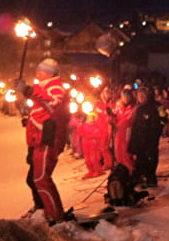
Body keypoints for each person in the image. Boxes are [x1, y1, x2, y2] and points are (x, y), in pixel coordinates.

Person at [17, 58, 69, 225]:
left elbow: (53, 104)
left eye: (41, 69)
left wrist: (29, 90)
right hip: (40, 139)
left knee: (41, 178)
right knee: (37, 178)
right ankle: (48, 211)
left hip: (48, 139)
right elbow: (39, 110)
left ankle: (55, 215)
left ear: (49, 73)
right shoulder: (44, 86)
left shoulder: (55, 86)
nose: (37, 72)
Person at [128, 87, 162, 188]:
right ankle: (141, 176)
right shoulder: (138, 108)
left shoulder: (152, 108)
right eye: (139, 96)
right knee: (140, 159)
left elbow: (155, 126)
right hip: (139, 139)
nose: (141, 98)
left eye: (143, 96)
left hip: (149, 139)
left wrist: (152, 140)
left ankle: (151, 178)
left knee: (150, 159)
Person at [78, 112, 104, 179]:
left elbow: (98, 135)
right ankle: (90, 171)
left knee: (94, 158)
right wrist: (80, 126)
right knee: (87, 158)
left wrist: (89, 136)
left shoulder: (97, 125)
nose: (90, 119)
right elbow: (80, 133)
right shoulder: (84, 125)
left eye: (92, 117)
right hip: (85, 143)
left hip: (93, 143)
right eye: (89, 117)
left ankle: (98, 170)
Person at [95, 86, 115, 169]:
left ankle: (109, 163)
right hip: (100, 129)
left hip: (107, 129)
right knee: (100, 147)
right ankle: (104, 162)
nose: (106, 95)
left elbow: (112, 116)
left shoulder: (112, 105)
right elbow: (96, 115)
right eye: (104, 93)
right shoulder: (99, 105)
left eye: (107, 93)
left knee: (105, 147)